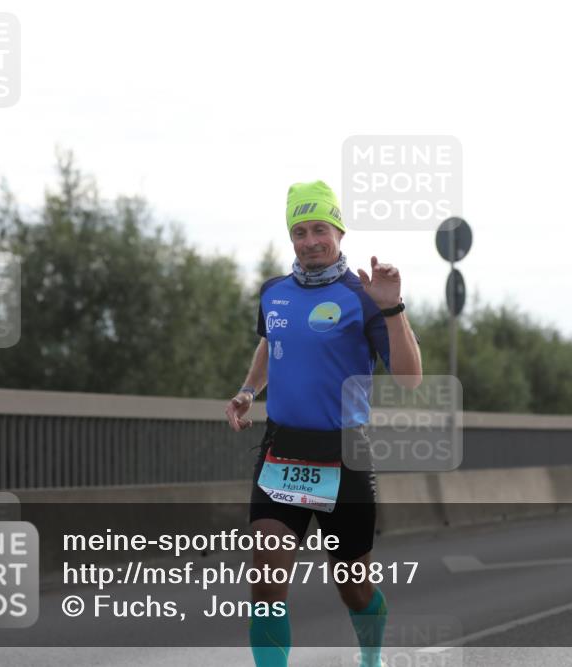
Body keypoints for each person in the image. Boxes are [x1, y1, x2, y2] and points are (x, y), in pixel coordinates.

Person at [225, 180, 422, 667]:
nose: (310, 240)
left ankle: (371, 659)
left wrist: (392, 309)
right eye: (299, 231)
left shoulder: (363, 295)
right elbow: (273, 343)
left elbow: (410, 379)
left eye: (319, 229)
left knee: (353, 586)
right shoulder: (274, 293)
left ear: (338, 230)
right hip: (282, 450)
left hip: (343, 454)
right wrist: (250, 390)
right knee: (267, 578)